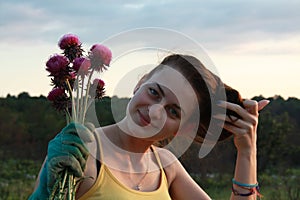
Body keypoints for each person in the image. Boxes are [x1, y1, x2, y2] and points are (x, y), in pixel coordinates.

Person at [29, 54, 269, 200]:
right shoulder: (83, 152)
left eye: (173, 111)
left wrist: (247, 152)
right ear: (140, 83)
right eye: (154, 92)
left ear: (183, 129)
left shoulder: (167, 168)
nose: (155, 111)